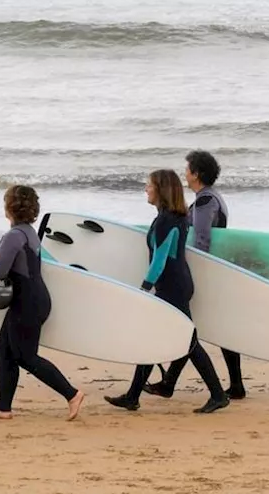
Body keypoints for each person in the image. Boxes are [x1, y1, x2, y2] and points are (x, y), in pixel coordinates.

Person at [105, 169, 229, 414]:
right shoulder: (176, 216)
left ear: (160, 190)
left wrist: (144, 287)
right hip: (177, 283)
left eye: (149, 185)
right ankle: (134, 395)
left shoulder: (165, 220)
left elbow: (159, 260)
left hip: (171, 287)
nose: (145, 189)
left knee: (188, 341)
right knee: (157, 338)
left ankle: (217, 394)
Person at [144, 150, 246, 400]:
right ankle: (231, 385)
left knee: (192, 332)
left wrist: (193, 270)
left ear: (197, 173)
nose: (185, 174)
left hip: (203, 272)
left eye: (188, 169)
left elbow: (201, 240)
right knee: (198, 329)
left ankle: (230, 386)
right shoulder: (212, 197)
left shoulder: (204, 202)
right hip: (206, 273)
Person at [0, 185, 85, 421]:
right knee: (5, 350)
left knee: (26, 357)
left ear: (9, 208)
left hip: (26, 302)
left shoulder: (13, 237)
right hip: (34, 298)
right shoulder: (29, 232)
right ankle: (3, 407)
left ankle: (72, 394)